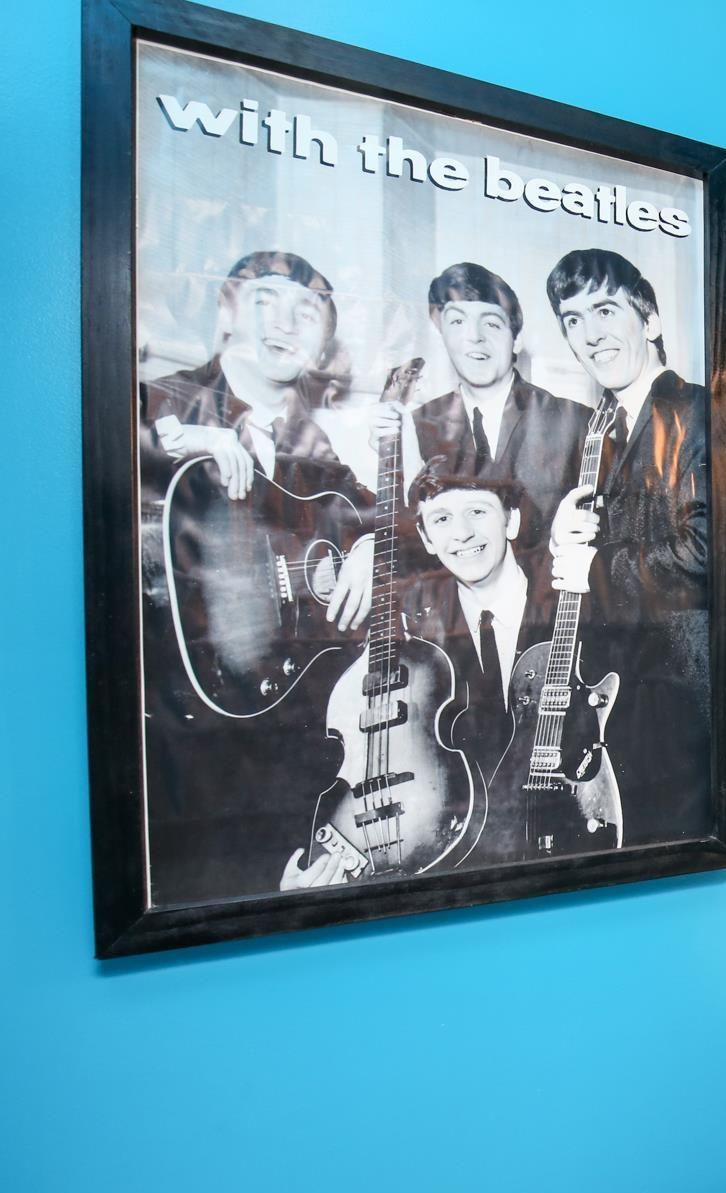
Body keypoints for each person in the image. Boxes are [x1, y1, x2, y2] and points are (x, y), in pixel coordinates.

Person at [139, 251, 376, 902]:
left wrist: (374, 544)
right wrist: (185, 439)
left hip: (279, 737)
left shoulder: (313, 450)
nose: (285, 323)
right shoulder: (157, 400)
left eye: (308, 312)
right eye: (265, 301)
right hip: (179, 742)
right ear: (226, 313)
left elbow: (382, 515)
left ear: (323, 345)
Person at [279, 469, 542, 887]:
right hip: (458, 863)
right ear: (425, 537)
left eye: (477, 512)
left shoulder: (569, 597)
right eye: (442, 519)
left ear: (512, 521)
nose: (461, 533)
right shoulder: (417, 630)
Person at [542, 248, 711, 846]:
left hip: (687, 706)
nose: (590, 334)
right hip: (623, 707)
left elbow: (704, 551)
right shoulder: (598, 431)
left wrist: (595, 567)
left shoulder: (697, 410)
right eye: (573, 320)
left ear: (651, 320)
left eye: (606, 311)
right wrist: (559, 538)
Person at [369, 262, 590, 576]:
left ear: (516, 339)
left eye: (491, 323)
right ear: (441, 334)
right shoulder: (417, 425)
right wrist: (368, 543)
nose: (474, 337)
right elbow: (412, 540)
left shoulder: (577, 421)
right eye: (457, 321)